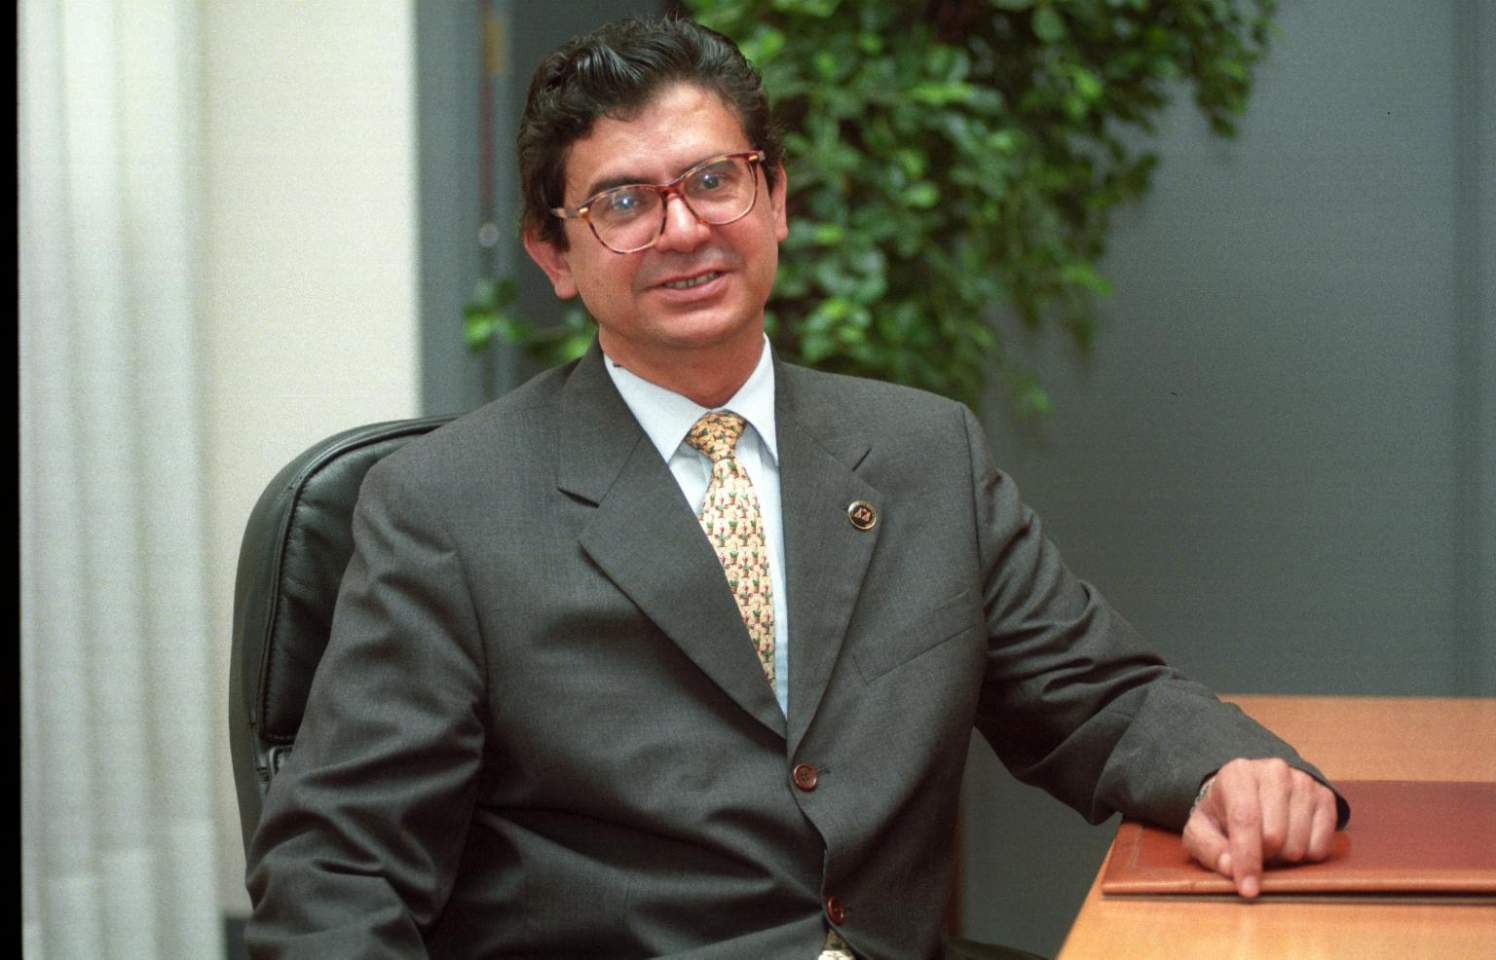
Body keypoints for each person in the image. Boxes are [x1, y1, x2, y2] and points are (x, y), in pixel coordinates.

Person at [245, 16, 1346, 960]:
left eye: (712, 180)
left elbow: (1096, 699)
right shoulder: (446, 505)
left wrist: (1226, 772)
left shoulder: (922, 453)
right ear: (555, 255)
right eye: (622, 203)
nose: (683, 229)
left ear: (774, 196)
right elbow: (339, 872)